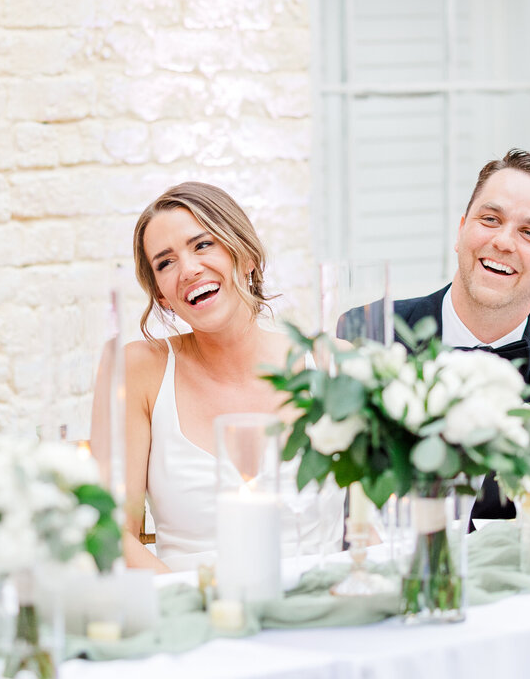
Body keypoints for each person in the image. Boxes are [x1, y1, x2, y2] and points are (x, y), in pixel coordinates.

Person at [96, 182, 344, 573]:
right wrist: (197, 608)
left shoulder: (332, 364)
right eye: (165, 263)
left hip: (321, 608)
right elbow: (110, 531)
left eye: (203, 245)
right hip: (195, 616)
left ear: (245, 254)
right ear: (161, 295)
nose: (188, 270)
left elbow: (377, 519)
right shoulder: (138, 370)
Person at [393, 150, 530, 519]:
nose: (503, 242)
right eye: (490, 219)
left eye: (529, 233)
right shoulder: (372, 339)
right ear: (462, 229)